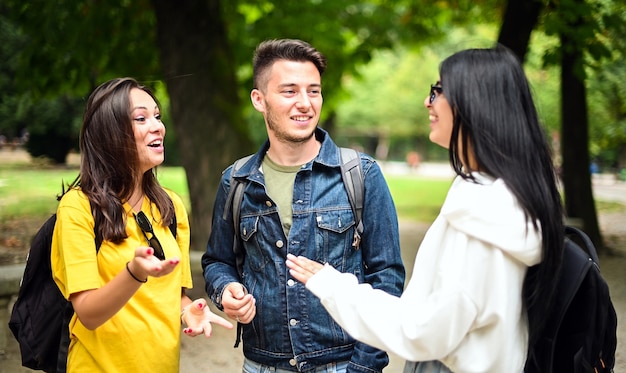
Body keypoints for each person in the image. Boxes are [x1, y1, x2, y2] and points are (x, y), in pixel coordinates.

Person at [286, 46, 564, 373]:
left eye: (437, 91)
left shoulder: (484, 220)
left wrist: (334, 288)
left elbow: (423, 331)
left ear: (472, 101)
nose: (427, 102)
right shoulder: (500, 200)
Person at [202, 39, 406, 372]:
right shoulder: (236, 181)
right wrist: (226, 289)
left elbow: (387, 280)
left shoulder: (361, 174)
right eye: (289, 91)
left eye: (314, 91)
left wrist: (364, 367)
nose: (305, 103)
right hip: (262, 365)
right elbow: (217, 261)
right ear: (259, 99)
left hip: (342, 365)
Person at [51, 77, 233, 372]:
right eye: (141, 118)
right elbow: (88, 313)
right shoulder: (78, 207)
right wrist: (134, 273)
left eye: (158, 116)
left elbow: (174, 296)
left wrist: (188, 311)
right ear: (109, 133)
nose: (158, 126)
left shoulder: (170, 206)